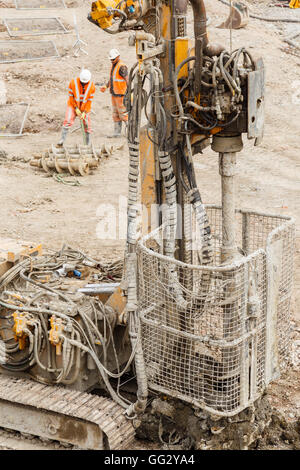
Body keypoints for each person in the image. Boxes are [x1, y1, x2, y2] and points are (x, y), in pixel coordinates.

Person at [58, 69, 95, 146]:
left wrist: (84, 112)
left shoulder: (92, 87)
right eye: (82, 82)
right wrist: (75, 108)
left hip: (84, 108)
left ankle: (87, 144)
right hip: (73, 105)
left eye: (86, 83)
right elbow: (71, 97)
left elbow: (89, 101)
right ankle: (62, 140)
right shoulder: (73, 83)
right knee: (67, 120)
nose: (84, 84)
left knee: (87, 125)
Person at [100, 49, 128, 137]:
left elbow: (127, 80)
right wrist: (106, 86)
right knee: (115, 114)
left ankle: (131, 132)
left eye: (113, 59)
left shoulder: (122, 66)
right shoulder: (114, 66)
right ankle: (117, 133)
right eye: (111, 59)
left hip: (121, 94)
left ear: (118, 57)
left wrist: (130, 92)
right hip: (114, 94)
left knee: (123, 114)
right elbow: (112, 78)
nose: (111, 61)